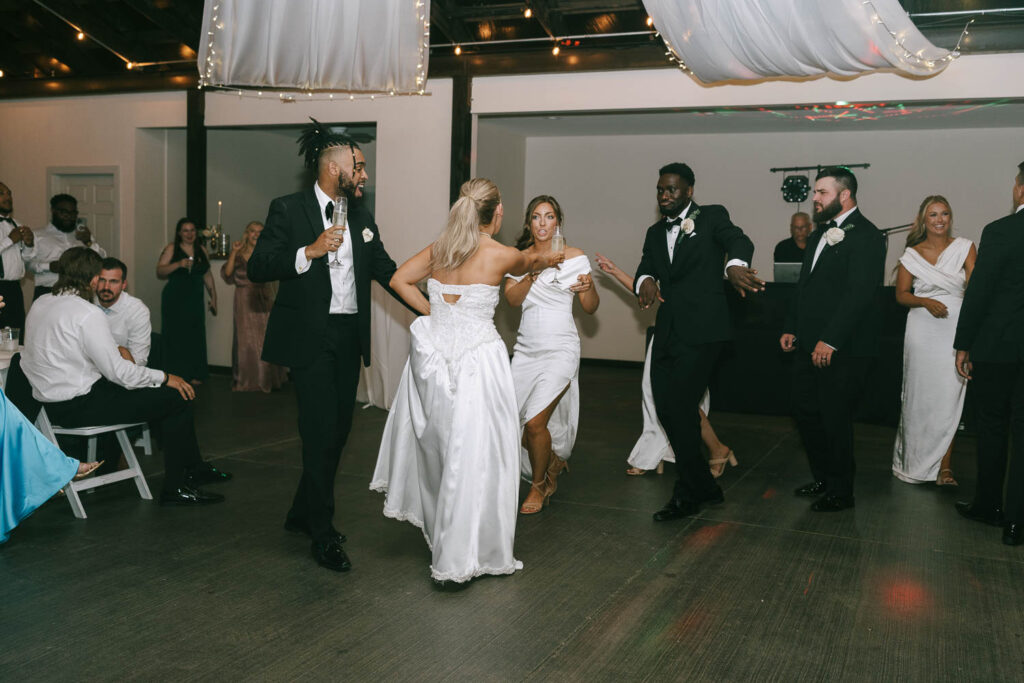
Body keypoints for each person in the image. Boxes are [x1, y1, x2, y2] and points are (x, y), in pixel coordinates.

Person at [370, 178, 564, 583]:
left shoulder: (441, 248)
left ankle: (447, 533)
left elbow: (398, 279)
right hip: (478, 360)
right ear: (496, 213)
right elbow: (531, 262)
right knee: (477, 452)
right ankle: (463, 550)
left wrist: (434, 315)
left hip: (434, 359)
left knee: (441, 447)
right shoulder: (503, 254)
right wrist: (545, 260)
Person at [248, 118, 405, 573]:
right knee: (317, 432)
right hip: (309, 338)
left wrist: (436, 303)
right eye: (359, 167)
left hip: (347, 334)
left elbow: (386, 270)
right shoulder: (288, 209)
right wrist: (309, 251)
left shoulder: (360, 215)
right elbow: (260, 265)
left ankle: (301, 512)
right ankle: (322, 531)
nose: (365, 176)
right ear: (335, 168)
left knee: (337, 432)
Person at [20, 248, 231, 507]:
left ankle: (193, 468)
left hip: (48, 408)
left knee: (157, 394)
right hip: (82, 407)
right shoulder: (87, 313)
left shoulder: (41, 303)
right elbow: (120, 373)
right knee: (176, 397)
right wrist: (165, 377)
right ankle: (177, 487)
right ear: (93, 279)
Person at [634, 162, 761, 522]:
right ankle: (705, 484)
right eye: (660, 190)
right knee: (668, 408)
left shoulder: (712, 217)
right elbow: (647, 264)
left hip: (704, 332)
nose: (664, 195)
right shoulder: (655, 232)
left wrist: (734, 264)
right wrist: (644, 280)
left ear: (689, 191)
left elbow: (739, 240)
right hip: (669, 330)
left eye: (671, 189)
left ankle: (687, 494)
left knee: (679, 405)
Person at [780, 167, 885, 512]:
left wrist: (831, 340)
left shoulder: (867, 236)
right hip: (807, 343)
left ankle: (842, 491)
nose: (815, 198)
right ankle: (823, 476)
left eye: (822, 192)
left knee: (834, 418)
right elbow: (805, 287)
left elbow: (859, 295)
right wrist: (792, 326)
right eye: (815, 192)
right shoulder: (819, 233)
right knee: (804, 410)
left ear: (844, 195)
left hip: (842, 348)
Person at [594, 252, 735, 478]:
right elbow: (647, 291)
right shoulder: (671, 275)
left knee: (683, 399)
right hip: (664, 340)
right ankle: (654, 452)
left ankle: (717, 448)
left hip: (694, 341)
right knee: (655, 399)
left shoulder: (704, 280)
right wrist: (615, 271)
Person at [505, 195, 598, 514]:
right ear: (528, 223)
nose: (543, 223)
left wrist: (587, 288)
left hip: (561, 348)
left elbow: (590, 308)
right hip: (526, 350)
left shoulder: (574, 257)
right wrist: (534, 270)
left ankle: (539, 484)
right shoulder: (518, 258)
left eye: (549, 216)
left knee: (534, 423)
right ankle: (554, 461)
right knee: (509, 423)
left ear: (558, 221)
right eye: (536, 216)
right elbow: (513, 301)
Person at [953, 161, 1024, 546]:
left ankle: (990, 506)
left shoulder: (1000, 231)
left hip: (998, 346)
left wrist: (964, 343)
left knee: (993, 426)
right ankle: (1017, 522)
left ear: (1020, 190)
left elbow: (979, 292)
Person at [892, 196, 975, 486]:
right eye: (933, 215)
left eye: (945, 214)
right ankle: (913, 463)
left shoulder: (965, 247)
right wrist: (926, 302)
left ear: (950, 218)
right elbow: (901, 295)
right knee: (920, 397)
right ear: (923, 220)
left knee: (949, 398)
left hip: (955, 329)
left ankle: (945, 468)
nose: (940, 220)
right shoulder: (912, 254)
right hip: (922, 329)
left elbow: (976, 290)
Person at [220, 221, 286, 392]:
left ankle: (267, 379)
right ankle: (247, 379)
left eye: (260, 231)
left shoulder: (267, 252)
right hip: (243, 300)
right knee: (245, 342)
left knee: (266, 341)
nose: (256, 234)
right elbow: (227, 274)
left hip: (263, 298)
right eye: (252, 231)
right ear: (246, 233)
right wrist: (233, 252)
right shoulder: (239, 252)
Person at [156, 218, 216, 384]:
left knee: (195, 334)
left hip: (195, 298)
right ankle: (176, 374)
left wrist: (214, 298)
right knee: (176, 335)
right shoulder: (172, 248)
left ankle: (195, 373)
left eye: (192, 230)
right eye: (185, 230)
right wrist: (178, 264)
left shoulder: (202, 249)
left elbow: (207, 275)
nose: (189, 234)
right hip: (175, 297)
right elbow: (160, 270)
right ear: (179, 233)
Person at [28, 194, 105, 300]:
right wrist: (48, 267)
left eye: (73, 213)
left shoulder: (83, 235)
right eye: (64, 212)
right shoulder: (37, 235)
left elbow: (101, 260)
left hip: (79, 291)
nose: (69, 216)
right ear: (53, 211)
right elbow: (28, 264)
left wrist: (89, 242)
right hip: (47, 291)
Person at [95, 257, 152, 366]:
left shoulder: (137, 311)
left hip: (118, 373)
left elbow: (138, 362)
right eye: (101, 280)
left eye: (113, 281)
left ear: (124, 285)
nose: (106, 287)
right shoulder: (85, 302)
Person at [0, 182, 35, 334]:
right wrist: (9, 240)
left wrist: (29, 244)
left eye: (9, 193)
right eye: (2, 193)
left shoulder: (17, 224)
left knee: (16, 332)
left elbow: (27, 260)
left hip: (14, 289)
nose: (8, 197)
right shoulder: (13, 233)